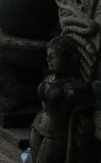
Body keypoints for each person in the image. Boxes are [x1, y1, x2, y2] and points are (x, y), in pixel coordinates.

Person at [29, 35, 95, 163]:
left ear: (69, 59)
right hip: (37, 126)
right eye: (47, 55)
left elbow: (89, 101)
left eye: (53, 56)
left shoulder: (76, 85)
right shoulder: (49, 78)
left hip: (55, 135)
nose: (48, 59)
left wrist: (75, 112)